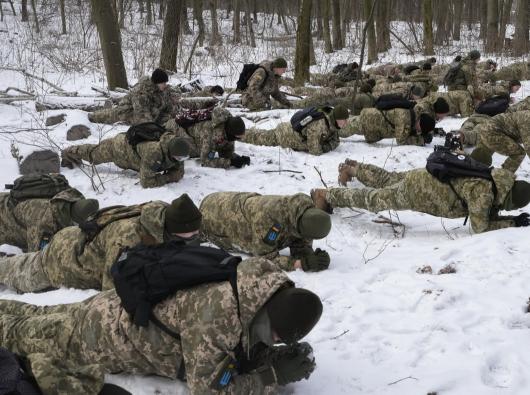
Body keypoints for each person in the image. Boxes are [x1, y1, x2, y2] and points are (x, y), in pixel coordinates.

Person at [0, 257, 323, 395]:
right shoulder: (217, 319)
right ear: (268, 319)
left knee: (32, 313)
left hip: (113, 306)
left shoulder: (259, 289)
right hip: (93, 337)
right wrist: (274, 376)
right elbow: (209, 389)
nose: (275, 341)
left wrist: (272, 357)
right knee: (13, 332)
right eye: (277, 337)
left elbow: (243, 345)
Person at [0, 194, 202, 293]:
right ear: (171, 228)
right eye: (189, 233)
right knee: (19, 274)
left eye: (196, 232)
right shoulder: (126, 240)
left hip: (83, 242)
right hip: (62, 260)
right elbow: (112, 290)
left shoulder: (164, 216)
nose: (195, 236)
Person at [313, 154, 530, 234]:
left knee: (387, 180)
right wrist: (511, 223)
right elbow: (480, 226)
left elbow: (485, 214)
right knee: (373, 201)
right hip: (417, 192)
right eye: (510, 207)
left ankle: (354, 168)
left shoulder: (496, 177)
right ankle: (326, 195)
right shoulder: (484, 193)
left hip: (424, 177)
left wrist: (509, 219)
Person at [200, 192, 332, 272]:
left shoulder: (303, 213)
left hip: (236, 202)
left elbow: (300, 243)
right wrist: (300, 265)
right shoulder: (270, 219)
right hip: (212, 216)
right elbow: (264, 257)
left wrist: (311, 257)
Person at [60, 131, 192, 189]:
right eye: (182, 158)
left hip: (131, 149)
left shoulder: (176, 148)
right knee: (92, 155)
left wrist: (175, 173)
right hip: (119, 149)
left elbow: (179, 171)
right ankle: (68, 152)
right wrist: (168, 178)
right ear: (171, 152)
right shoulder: (154, 152)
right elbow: (147, 182)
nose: (183, 160)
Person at [475, 103, 530, 177]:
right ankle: (502, 178)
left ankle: (473, 176)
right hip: (493, 132)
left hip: (489, 128)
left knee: (479, 162)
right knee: (519, 153)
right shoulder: (529, 121)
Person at [0, 186, 98, 252]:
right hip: (4, 215)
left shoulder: (71, 198)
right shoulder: (44, 221)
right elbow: (36, 260)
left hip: (9, 203)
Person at [240, 104, 348, 156]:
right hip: (284, 136)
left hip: (289, 132)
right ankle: (238, 133)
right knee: (258, 137)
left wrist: (329, 146)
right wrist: (324, 149)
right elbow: (315, 151)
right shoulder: (319, 126)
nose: (346, 122)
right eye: (344, 120)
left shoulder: (332, 124)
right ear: (337, 118)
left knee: (261, 134)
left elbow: (336, 140)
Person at [164, 108, 250, 169]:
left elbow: (225, 153)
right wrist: (230, 163)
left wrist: (238, 159)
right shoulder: (211, 133)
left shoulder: (227, 133)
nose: (240, 138)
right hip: (173, 130)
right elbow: (206, 161)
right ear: (230, 132)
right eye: (238, 136)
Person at [89, 69, 174, 125]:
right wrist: (152, 128)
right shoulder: (141, 91)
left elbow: (167, 104)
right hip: (125, 113)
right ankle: (89, 116)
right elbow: (142, 113)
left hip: (147, 113)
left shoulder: (161, 90)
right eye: (163, 83)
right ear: (156, 82)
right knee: (105, 115)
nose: (165, 85)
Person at [338, 104, 437, 146]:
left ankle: (329, 119)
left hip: (371, 116)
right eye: (420, 129)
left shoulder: (415, 113)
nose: (419, 131)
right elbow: (401, 141)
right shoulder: (405, 119)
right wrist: (421, 140)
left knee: (346, 120)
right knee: (340, 129)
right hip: (368, 123)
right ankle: (327, 127)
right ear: (420, 123)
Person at [419, 89, 484, 117]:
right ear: (476, 99)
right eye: (479, 101)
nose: (479, 103)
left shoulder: (467, 94)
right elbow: (466, 114)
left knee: (417, 104)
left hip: (437, 98)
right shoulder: (466, 97)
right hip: (435, 99)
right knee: (416, 104)